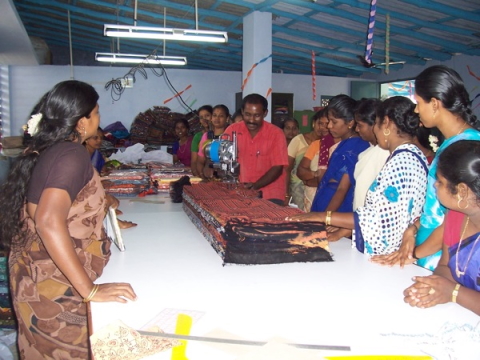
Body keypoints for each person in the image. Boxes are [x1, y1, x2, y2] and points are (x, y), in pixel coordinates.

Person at [0, 80, 137, 359]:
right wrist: (89, 291)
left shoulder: (52, 150)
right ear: (81, 121)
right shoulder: (72, 155)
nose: (100, 121)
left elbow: (50, 207)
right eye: (96, 113)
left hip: (36, 276)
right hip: (56, 288)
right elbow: (48, 221)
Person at [288, 96, 428, 254]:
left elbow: (377, 218)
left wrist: (323, 217)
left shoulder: (401, 162)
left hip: (385, 252)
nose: (374, 129)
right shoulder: (408, 155)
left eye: (375, 123)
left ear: (386, 123)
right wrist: (343, 231)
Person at [372, 65, 480, 270]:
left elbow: (457, 220)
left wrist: (412, 254)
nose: (416, 109)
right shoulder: (452, 143)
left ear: (435, 103)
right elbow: (436, 209)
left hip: (443, 260)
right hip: (427, 250)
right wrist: (413, 229)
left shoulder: (466, 148)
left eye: (419, 102)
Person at [403, 140, 480, 316]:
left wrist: (454, 293)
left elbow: (454, 291)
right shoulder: (455, 216)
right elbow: (445, 266)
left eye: (440, 181)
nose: (435, 185)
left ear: (462, 191)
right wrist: (431, 288)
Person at [223, 93, 288, 204]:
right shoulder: (231, 131)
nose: (251, 120)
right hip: (241, 190)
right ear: (242, 112)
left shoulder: (276, 134)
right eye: (248, 114)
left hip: (270, 192)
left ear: (265, 113)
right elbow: (222, 156)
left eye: (257, 115)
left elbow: (278, 167)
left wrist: (255, 186)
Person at [310, 94, 369, 213]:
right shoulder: (344, 144)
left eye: (334, 122)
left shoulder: (354, 147)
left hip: (336, 210)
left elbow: (342, 188)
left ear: (350, 123)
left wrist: (326, 217)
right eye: (329, 121)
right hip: (327, 208)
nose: (329, 126)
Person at [352, 98, 390, 210]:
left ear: (374, 125)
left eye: (360, 125)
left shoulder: (383, 153)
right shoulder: (370, 150)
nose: (357, 129)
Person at [296, 109, 331, 211]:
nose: (324, 128)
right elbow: (301, 171)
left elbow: (336, 180)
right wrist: (317, 174)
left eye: (327, 123)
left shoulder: (340, 146)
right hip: (311, 199)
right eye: (320, 123)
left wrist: (313, 180)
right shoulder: (316, 145)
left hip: (331, 200)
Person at [286, 114, 321, 209]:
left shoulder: (327, 143)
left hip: (316, 186)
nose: (322, 127)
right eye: (319, 123)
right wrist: (286, 194)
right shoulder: (298, 140)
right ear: (313, 123)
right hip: (298, 188)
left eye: (326, 124)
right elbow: (287, 169)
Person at [196, 104, 230, 178]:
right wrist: (203, 177)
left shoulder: (230, 136)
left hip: (227, 178)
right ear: (211, 118)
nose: (217, 118)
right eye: (214, 115)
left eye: (221, 116)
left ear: (227, 118)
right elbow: (200, 162)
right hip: (209, 178)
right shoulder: (206, 136)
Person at [191, 105, 212, 176]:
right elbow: (194, 161)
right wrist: (199, 175)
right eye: (201, 117)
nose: (204, 119)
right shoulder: (198, 137)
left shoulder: (222, 133)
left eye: (207, 115)